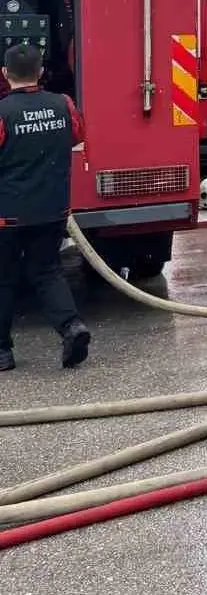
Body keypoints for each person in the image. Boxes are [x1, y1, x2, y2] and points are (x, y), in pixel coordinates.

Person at [0, 43, 91, 372]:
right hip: (53, 209)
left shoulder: (2, 113)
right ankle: (71, 327)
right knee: (46, 271)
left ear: (4, 74)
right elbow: (77, 135)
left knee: (4, 278)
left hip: (7, 214)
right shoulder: (63, 104)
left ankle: (2, 353)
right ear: (41, 72)